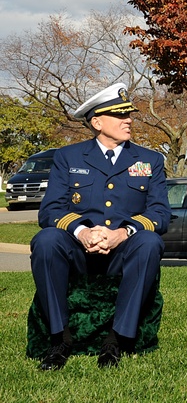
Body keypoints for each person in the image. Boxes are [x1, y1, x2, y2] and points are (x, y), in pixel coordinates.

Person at [30, 82, 169, 370]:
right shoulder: (68, 157)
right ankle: (60, 339)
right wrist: (82, 232)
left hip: (123, 251)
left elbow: (159, 213)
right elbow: (51, 210)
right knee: (46, 240)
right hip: (79, 252)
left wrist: (122, 233)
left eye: (128, 114)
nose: (128, 120)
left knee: (150, 242)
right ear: (97, 122)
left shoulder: (150, 160)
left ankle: (116, 341)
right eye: (120, 115)